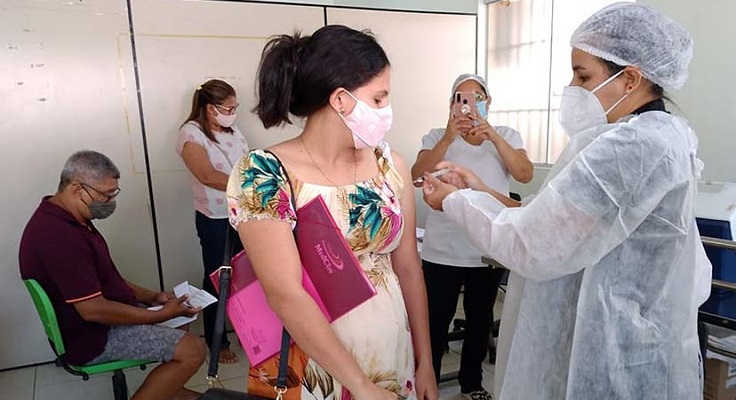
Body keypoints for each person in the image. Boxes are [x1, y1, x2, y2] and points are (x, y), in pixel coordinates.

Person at [421, 3, 712, 399]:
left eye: (583, 74)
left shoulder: (635, 147)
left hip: (621, 346)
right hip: (617, 330)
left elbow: (532, 243)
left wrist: (454, 202)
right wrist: (475, 190)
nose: (573, 87)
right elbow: (546, 216)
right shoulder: (642, 135)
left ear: (630, 79)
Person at [226, 25, 437, 400]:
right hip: (316, 365)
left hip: (392, 355)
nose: (387, 112)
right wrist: (359, 387)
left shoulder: (392, 167)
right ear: (341, 99)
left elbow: (406, 267)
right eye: (378, 98)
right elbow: (284, 293)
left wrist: (425, 363)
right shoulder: (262, 174)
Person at [19, 150, 207, 400]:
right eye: (105, 194)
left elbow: (105, 278)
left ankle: (169, 391)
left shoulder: (71, 218)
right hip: (91, 336)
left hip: (99, 320)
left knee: (181, 317)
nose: (110, 201)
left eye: (113, 193)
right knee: (193, 349)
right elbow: (92, 309)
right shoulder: (58, 236)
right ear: (77, 189)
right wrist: (158, 315)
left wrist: (155, 297)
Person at [410, 74, 532, 400]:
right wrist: (449, 138)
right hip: (441, 250)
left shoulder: (505, 135)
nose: (469, 104)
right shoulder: (437, 136)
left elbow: (524, 173)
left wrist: (493, 137)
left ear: (488, 103)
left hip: (487, 248)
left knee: (480, 321)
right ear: (451, 105)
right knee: (435, 321)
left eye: (477, 97)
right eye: (460, 98)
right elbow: (416, 176)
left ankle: (472, 385)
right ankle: (428, 385)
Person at [178, 78, 249, 364]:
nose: (233, 112)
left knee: (248, 279)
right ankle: (217, 342)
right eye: (228, 107)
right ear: (210, 108)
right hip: (215, 219)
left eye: (235, 107)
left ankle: (253, 333)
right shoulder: (191, 133)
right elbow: (206, 175)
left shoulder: (234, 132)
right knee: (218, 281)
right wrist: (249, 184)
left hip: (244, 215)